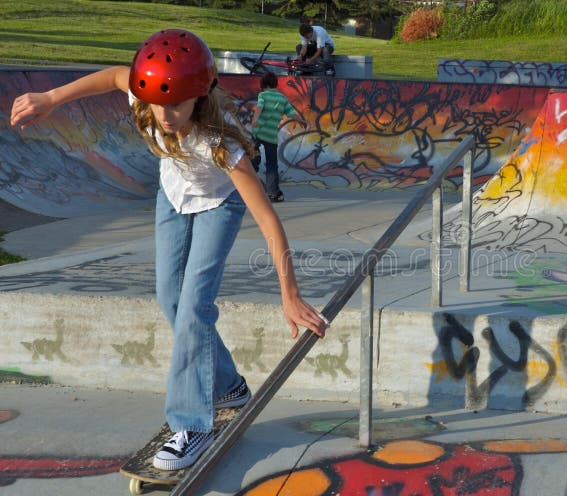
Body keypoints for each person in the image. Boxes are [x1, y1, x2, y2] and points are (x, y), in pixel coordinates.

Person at [9, 29, 328, 471]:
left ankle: (192, 423)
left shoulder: (224, 142)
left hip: (220, 204)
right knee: (170, 298)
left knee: (195, 306)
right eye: (158, 104)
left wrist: (289, 294)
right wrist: (51, 98)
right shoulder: (149, 98)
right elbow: (112, 77)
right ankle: (228, 386)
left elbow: (269, 221)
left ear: (199, 96)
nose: (164, 116)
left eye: (175, 106)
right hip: (174, 196)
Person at [251, 71, 306, 203]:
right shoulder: (282, 98)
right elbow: (291, 113)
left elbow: (259, 107)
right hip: (271, 135)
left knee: (253, 157)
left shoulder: (263, 95)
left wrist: (255, 119)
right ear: (275, 84)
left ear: (264, 84)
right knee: (272, 164)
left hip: (258, 132)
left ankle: (250, 183)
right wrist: (301, 121)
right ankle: (273, 192)